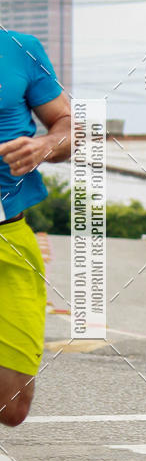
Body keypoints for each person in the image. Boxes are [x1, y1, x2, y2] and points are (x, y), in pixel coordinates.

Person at [0, 30, 71, 426]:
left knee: (12, 406)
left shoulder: (20, 49)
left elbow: (66, 125)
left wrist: (44, 146)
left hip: (9, 235)